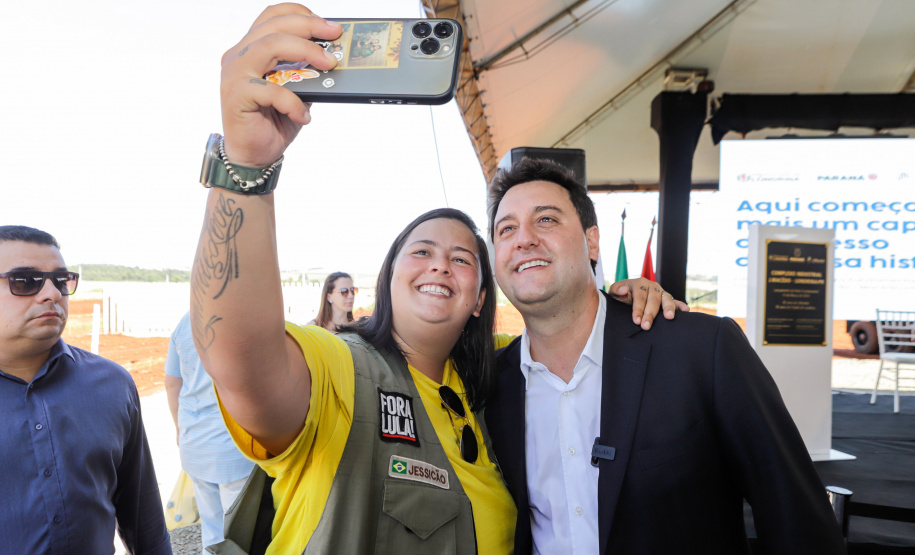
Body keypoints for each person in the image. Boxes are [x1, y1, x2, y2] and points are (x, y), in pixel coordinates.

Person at [189, 6, 680, 553]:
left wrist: (624, 299)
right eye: (421, 251)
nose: (441, 265)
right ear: (389, 280)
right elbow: (241, 359)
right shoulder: (342, 369)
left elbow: (570, 335)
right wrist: (246, 164)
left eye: (464, 259)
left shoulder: (497, 379)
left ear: (478, 300)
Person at [483, 158, 847, 554]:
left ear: (592, 241)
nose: (524, 239)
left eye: (546, 220)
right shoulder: (492, 389)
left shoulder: (702, 350)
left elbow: (797, 519)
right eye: (506, 229)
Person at [0, 225, 171, 555]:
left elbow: (143, 518)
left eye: (61, 280)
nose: (51, 293)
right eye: (25, 281)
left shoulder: (112, 384)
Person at [165, 312, 255, 552]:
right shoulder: (238, 320)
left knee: (212, 529)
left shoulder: (184, 323)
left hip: (195, 444)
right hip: (233, 447)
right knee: (238, 534)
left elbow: (172, 383)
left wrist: (179, 427)